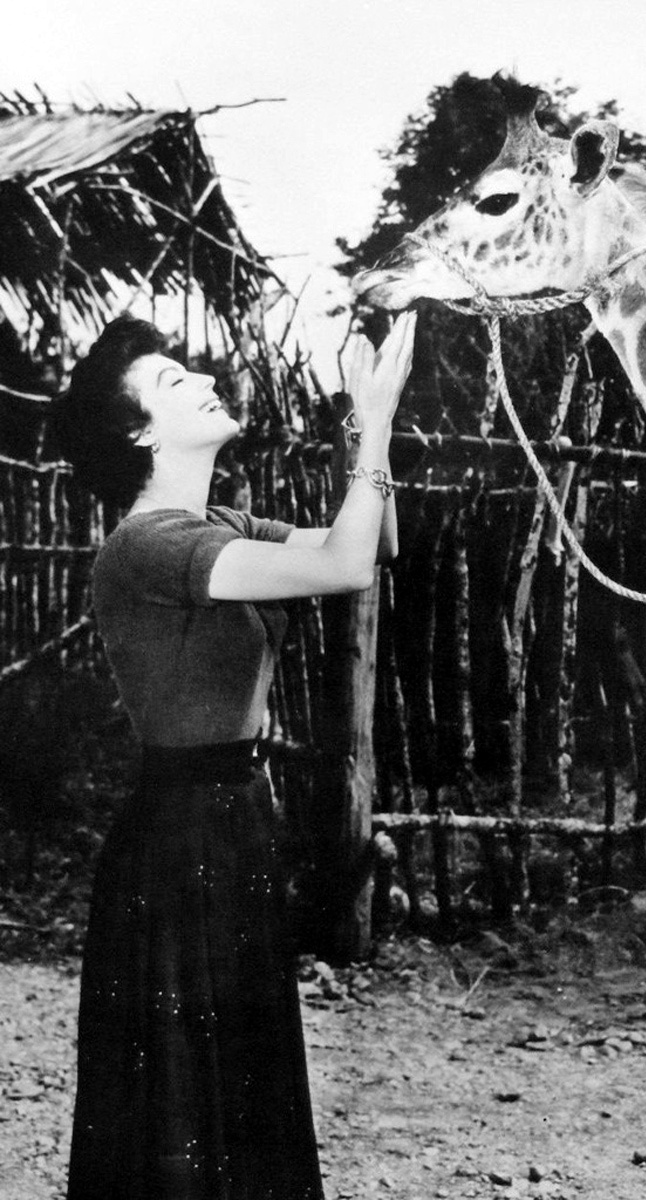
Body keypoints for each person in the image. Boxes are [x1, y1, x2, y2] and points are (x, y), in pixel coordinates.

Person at [51, 310, 416, 1200]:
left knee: (236, 1085)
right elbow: (344, 566)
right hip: (179, 842)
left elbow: (376, 543)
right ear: (141, 434)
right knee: (187, 1097)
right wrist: (375, 422)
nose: (206, 380)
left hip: (233, 820)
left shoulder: (219, 521)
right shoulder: (148, 547)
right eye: (173, 381)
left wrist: (361, 422)